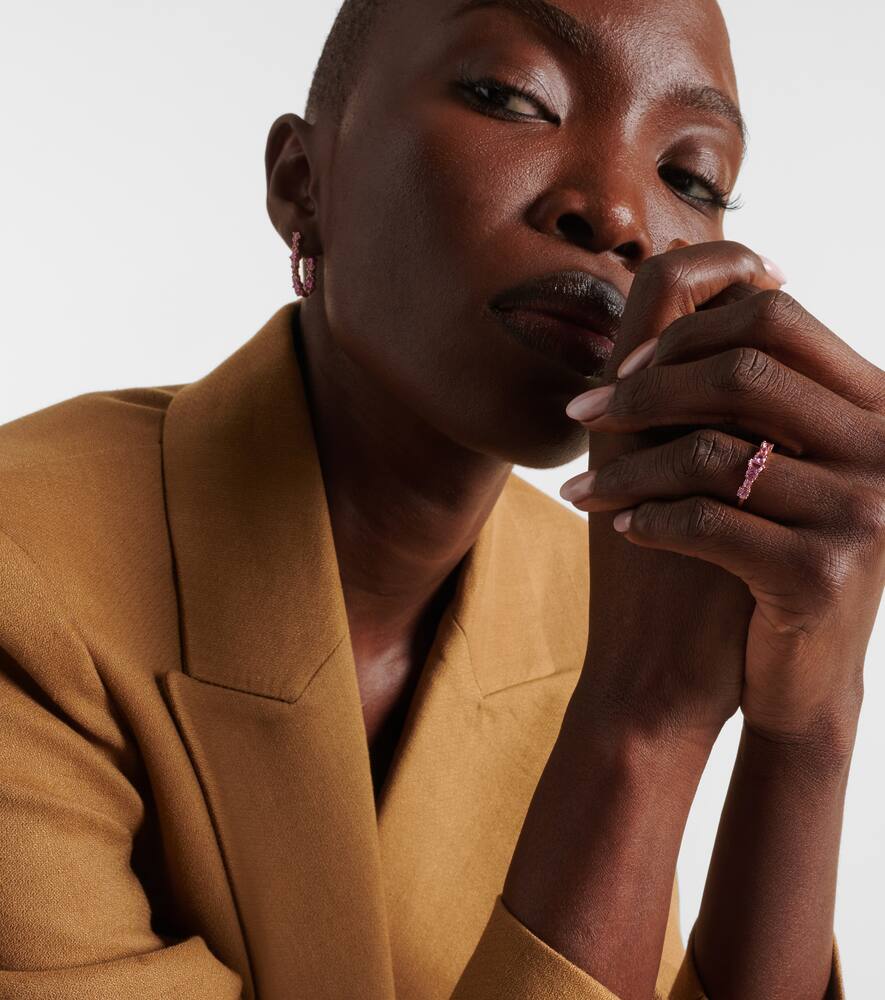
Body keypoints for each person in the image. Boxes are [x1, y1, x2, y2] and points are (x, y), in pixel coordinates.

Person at [1, 0, 881, 996]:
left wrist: (808, 726)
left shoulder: (599, 588)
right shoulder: (24, 574)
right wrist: (640, 720)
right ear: (303, 183)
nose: (620, 214)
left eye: (692, 177)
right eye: (513, 97)